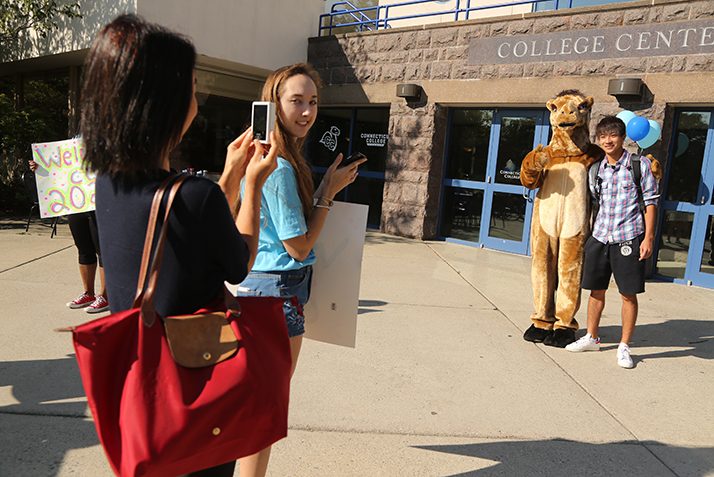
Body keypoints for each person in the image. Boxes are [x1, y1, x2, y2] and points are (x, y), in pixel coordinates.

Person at [80, 14, 278, 477]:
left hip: (139, 384)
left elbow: (187, 228)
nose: (197, 98)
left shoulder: (108, 183)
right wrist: (251, 184)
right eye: (191, 87)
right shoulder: (194, 194)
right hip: (193, 382)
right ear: (165, 102)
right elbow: (239, 263)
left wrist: (227, 178)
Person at [234, 62, 366, 477]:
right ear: (274, 103)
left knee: (258, 407)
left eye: (312, 101)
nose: (307, 111)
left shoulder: (267, 155)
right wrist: (327, 192)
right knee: (265, 414)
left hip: (262, 290)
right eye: (296, 101)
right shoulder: (281, 166)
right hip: (275, 293)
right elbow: (298, 246)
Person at [566, 116, 660, 368]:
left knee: (628, 294)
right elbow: (596, 203)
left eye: (613, 136)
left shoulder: (639, 166)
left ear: (623, 138)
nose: (608, 141)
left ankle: (624, 346)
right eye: (603, 136)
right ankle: (592, 337)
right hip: (600, 237)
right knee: (596, 290)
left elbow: (650, 202)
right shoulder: (596, 169)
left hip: (628, 237)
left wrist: (648, 238)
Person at [28, 160, 108, 313]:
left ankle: (105, 297)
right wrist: (41, 167)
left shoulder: (106, 140)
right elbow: (60, 168)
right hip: (74, 202)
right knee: (83, 249)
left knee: (102, 251)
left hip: (99, 201)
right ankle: (88, 294)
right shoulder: (73, 141)